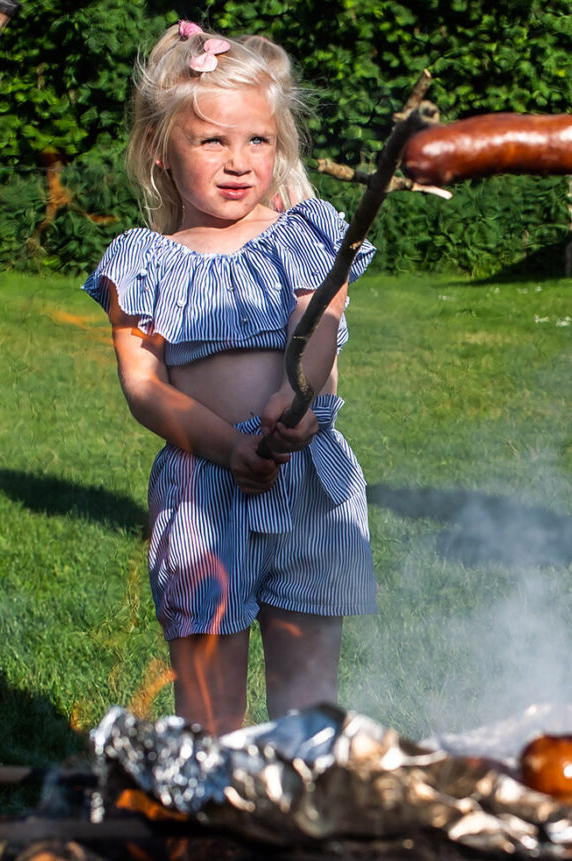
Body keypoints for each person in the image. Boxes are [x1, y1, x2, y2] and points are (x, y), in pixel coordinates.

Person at [82, 21, 377, 735]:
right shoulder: (142, 260)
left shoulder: (301, 234)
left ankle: (298, 795)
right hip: (202, 488)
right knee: (210, 711)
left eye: (258, 140)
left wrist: (298, 398)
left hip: (305, 479)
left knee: (307, 701)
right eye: (212, 141)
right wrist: (227, 446)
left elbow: (318, 324)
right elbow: (144, 386)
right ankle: (216, 800)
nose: (239, 161)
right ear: (160, 147)